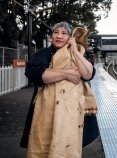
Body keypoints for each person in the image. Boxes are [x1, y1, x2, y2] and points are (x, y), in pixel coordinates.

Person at [20, 21, 97, 157]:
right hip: (46, 110)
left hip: (71, 111)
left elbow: (87, 74)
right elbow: (35, 74)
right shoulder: (43, 53)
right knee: (44, 140)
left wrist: (75, 51)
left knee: (67, 143)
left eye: (64, 33)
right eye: (56, 32)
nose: (59, 36)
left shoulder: (77, 54)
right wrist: (66, 74)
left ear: (70, 37)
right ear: (51, 37)